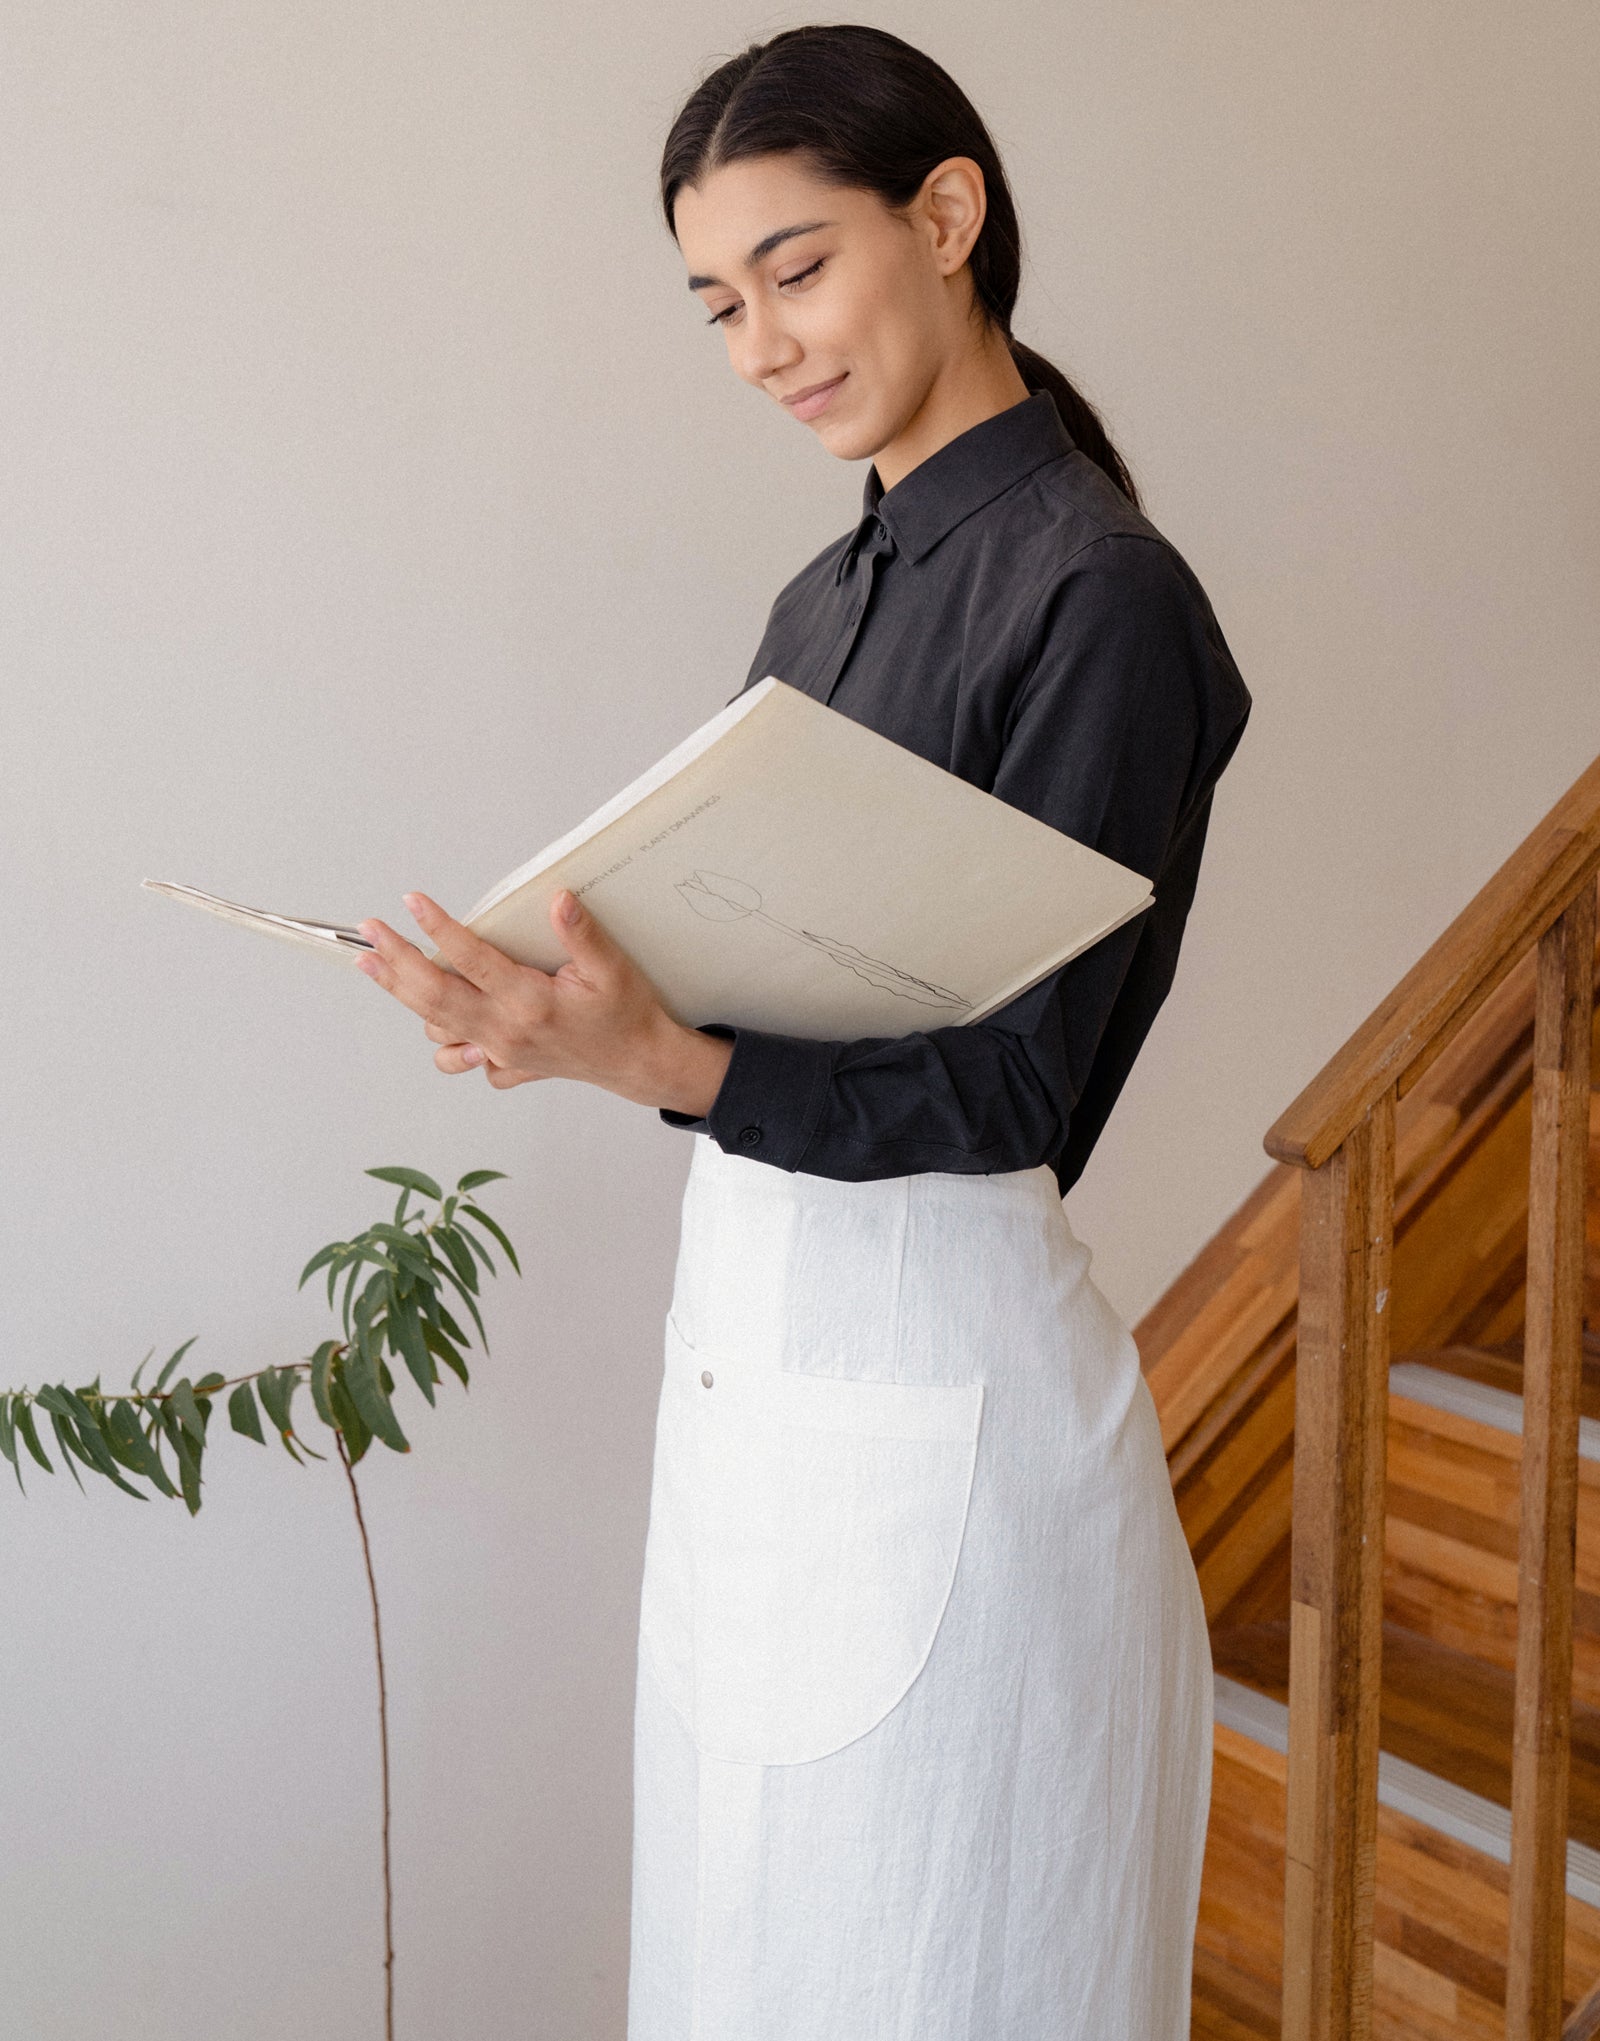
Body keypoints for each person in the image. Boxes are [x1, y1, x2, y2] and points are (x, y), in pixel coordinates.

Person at [354, 24, 1251, 2038]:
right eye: (714, 304)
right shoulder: (816, 597)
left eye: (793, 266)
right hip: (765, 1405)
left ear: (946, 217)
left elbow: (1014, 1079)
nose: (760, 343)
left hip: (942, 1417)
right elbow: (781, 1007)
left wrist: (652, 1060)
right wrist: (555, 1012)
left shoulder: (1098, 595)